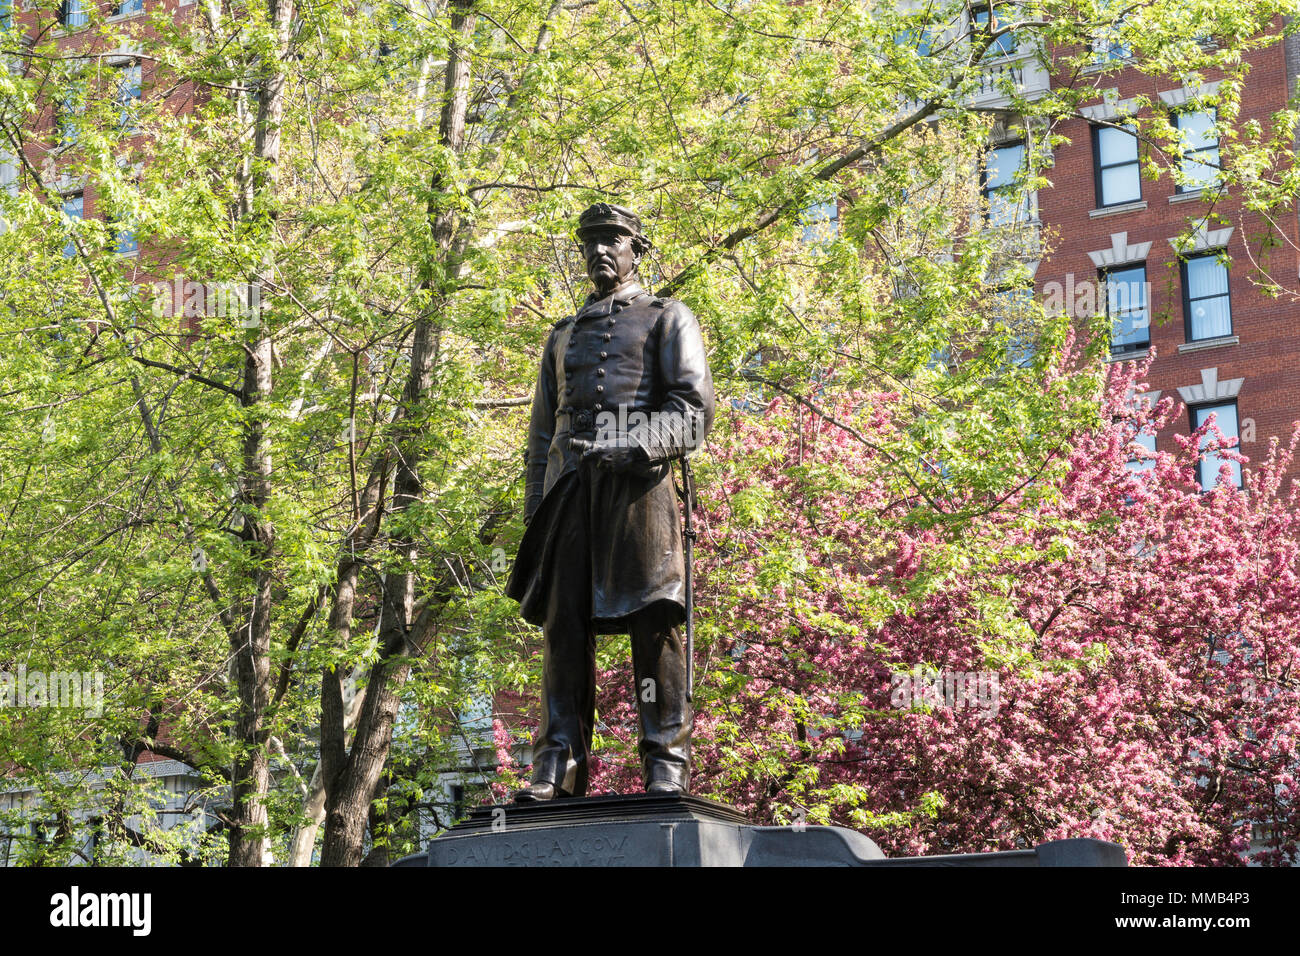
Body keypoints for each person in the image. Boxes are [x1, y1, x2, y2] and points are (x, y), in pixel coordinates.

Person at [505, 202, 714, 801]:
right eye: (590, 242)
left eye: (612, 240)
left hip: (637, 492)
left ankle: (665, 760)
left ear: (635, 250)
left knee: (656, 621)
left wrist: (637, 446)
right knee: (563, 628)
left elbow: (693, 410)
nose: (600, 251)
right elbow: (540, 440)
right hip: (568, 497)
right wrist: (535, 519)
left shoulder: (668, 318)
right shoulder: (561, 336)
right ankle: (558, 763)